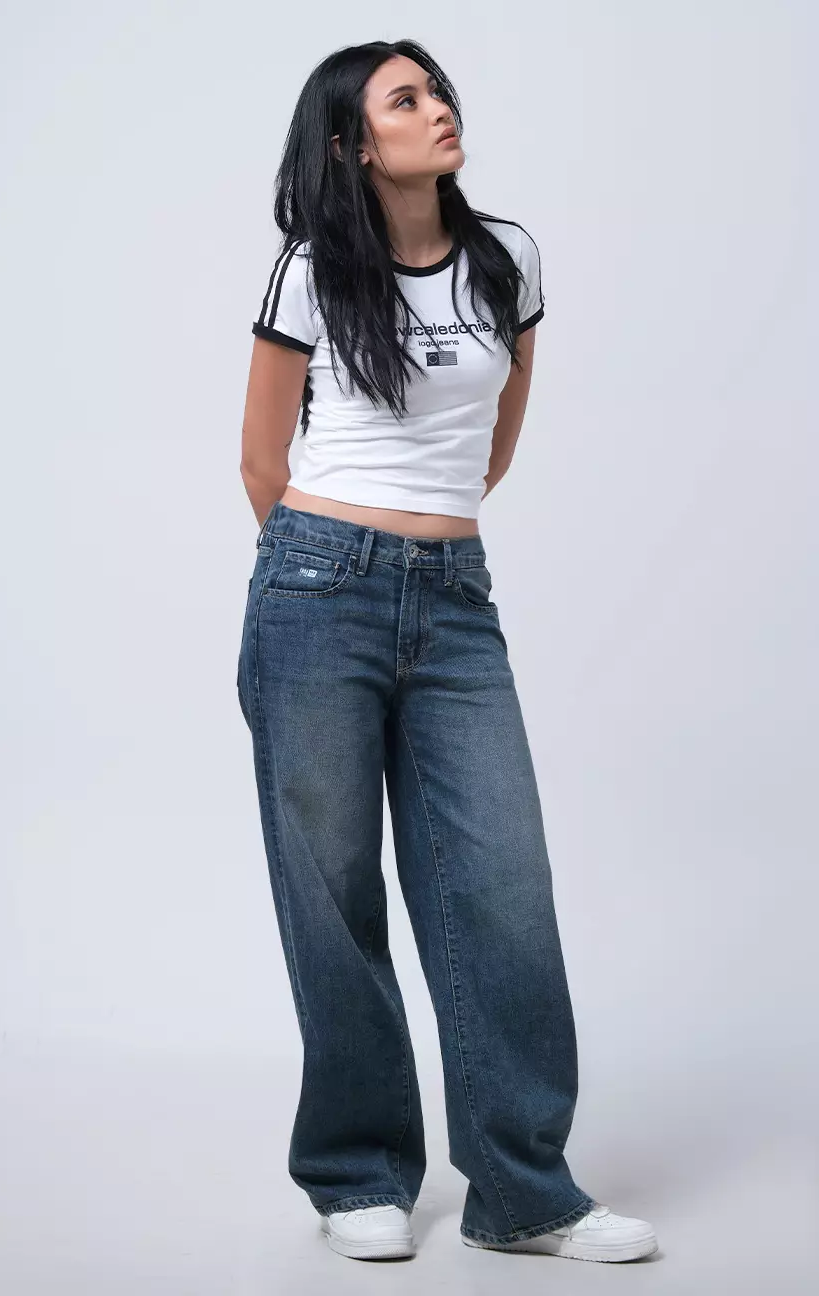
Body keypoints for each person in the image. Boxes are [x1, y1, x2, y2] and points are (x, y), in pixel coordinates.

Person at [237, 38, 659, 1266]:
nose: (439, 109)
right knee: (334, 893)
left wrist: (425, 550)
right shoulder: (313, 270)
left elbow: (491, 445)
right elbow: (261, 459)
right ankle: (357, 1172)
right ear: (353, 144)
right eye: (406, 99)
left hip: (456, 599)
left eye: (438, 91)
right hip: (315, 588)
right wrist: (326, 568)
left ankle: (524, 1191)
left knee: (501, 886)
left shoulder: (505, 258)